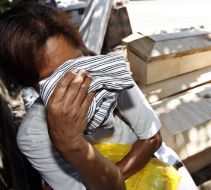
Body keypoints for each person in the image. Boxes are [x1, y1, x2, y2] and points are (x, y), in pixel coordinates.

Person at [0, 2, 197, 190]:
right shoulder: (34, 135)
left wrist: (110, 173)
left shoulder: (108, 76)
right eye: (56, 78)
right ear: (32, 86)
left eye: (77, 62)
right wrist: (71, 145)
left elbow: (152, 138)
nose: (77, 80)